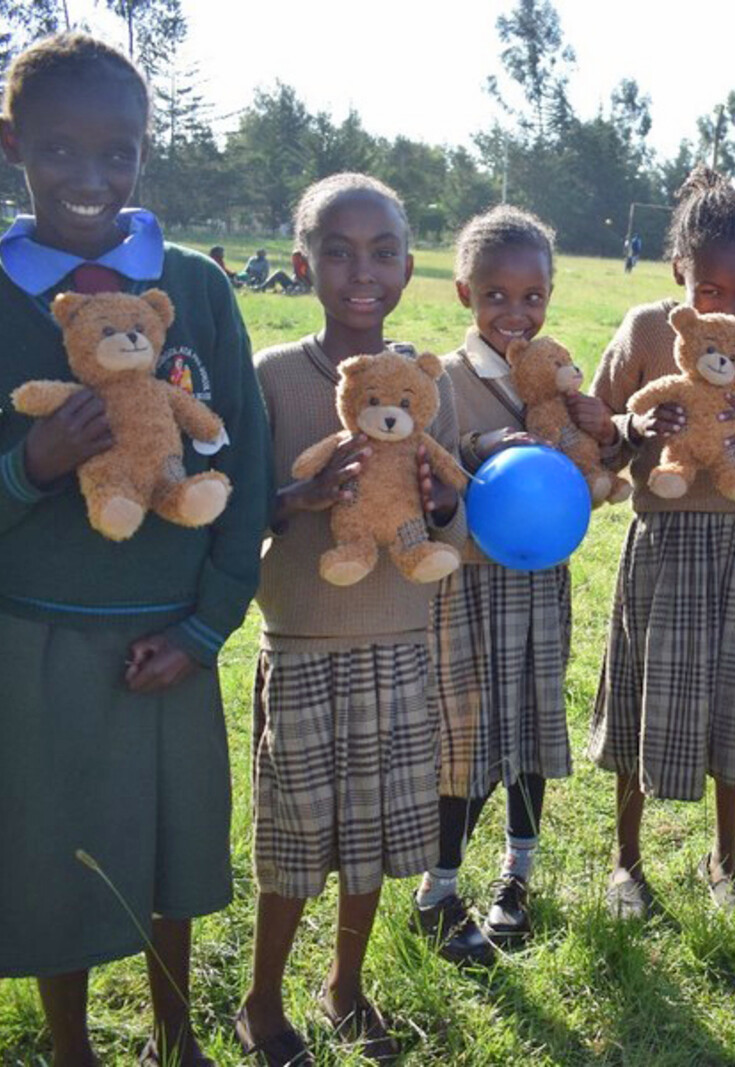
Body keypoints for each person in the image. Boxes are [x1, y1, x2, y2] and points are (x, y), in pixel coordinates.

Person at [0, 33, 269, 1066]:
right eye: (60, 150)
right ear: (10, 141)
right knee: (47, 859)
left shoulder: (193, 287)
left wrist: (207, 624)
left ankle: (177, 1036)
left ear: (145, 151)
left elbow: (242, 461)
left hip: (169, 635)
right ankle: (70, 1046)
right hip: (32, 643)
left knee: (172, 853)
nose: (90, 177)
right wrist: (29, 462)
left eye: (118, 152)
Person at [241, 173, 461, 1063]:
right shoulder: (272, 377)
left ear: (407, 270)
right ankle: (262, 1000)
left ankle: (345, 985)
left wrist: (441, 500)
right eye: (337, 250)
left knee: (369, 838)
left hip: (399, 642)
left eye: (380, 253)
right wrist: (295, 496)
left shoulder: (417, 382)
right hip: (300, 643)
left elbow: (444, 514)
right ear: (303, 265)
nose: (358, 270)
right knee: (294, 838)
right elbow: (239, 508)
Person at [588, 165, 735, 917]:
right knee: (643, 692)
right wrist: (630, 431)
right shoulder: (647, 329)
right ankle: (625, 861)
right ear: (680, 272)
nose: (732, 308)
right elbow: (597, 426)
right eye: (712, 291)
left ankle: (726, 858)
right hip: (663, 541)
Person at [411, 205, 590, 964]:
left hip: (540, 579)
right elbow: (428, 463)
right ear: (464, 294)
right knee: (463, 736)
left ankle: (516, 878)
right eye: (496, 296)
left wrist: (593, 439)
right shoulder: (445, 379)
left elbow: (584, 456)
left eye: (533, 296)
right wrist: (485, 446)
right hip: (470, 586)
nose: (516, 314)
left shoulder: (555, 371)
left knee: (532, 730)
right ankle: (437, 887)